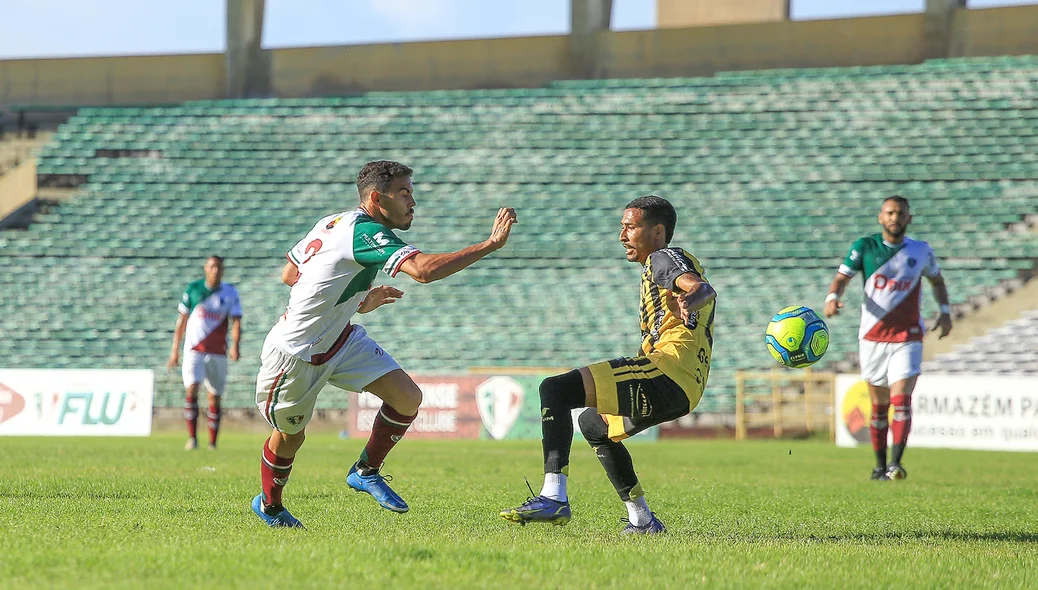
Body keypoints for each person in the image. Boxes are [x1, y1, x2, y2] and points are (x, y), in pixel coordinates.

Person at [252, 160, 517, 528]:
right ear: (378, 198)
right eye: (404, 193)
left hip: (340, 337)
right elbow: (423, 271)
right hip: (295, 354)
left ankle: (365, 470)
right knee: (289, 438)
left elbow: (291, 274)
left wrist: (355, 299)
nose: (413, 201)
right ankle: (270, 505)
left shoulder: (333, 221)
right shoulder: (365, 233)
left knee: (407, 397)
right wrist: (489, 244)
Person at [500, 195, 716, 535]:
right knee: (593, 425)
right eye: (622, 227)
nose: (622, 235)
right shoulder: (663, 264)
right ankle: (642, 520)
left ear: (657, 231)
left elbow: (702, 287)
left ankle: (553, 497)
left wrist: (690, 298)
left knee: (554, 389)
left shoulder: (663, 257)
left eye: (630, 227)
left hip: (666, 372)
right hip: (684, 389)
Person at [824, 195, 952, 481]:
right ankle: (879, 467)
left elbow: (937, 280)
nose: (895, 217)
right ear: (881, 217)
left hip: (908, 336)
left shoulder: (920, 251)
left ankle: (896, 464)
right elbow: (842, 277)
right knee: (880, 407)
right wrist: (833, 297)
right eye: (890, 213)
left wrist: (945, 311)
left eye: (900, 213)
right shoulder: (865, 247)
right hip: (872, 337)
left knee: (901, 399)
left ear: (909, 218)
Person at [167, 255, 242, 450]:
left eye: (219, 267)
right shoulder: (193, 290)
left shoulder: (230, 292)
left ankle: (212, 442)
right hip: (194, 350)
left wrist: (235, 345)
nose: (215, 270)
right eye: (212, 266)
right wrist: (174, 350)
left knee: (214, 396)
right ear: (205, 269)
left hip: (218, 352)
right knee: (191, 389)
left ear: (223, 270)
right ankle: (192, 438)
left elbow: (236, 321)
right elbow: (182, 321)